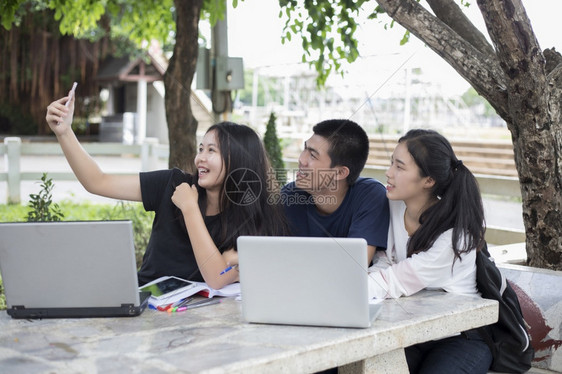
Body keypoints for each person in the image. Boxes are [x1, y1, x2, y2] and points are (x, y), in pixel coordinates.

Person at [45, 91, 288, 289]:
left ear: (239, 162)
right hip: (145, 304)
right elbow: (97, 181)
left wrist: (190, 208)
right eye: (200, 149)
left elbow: (217, 277)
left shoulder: (252, 220)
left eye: (211, 151)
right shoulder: (173, 184)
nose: (200, 158)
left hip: (198, 321)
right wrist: (64, 132)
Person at [368, 129, 492, 373]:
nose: (388, 172)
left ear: (428, 180)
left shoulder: (455, 235)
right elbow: (385, 262)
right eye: (391, 163)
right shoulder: (393, 207)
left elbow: (393, 280)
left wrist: (342, 291)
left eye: (400, 167)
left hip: (460, 338)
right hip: (411, 333)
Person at [281, 119, 389, 265]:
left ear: (340, 172)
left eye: (313, 155)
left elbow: (355, 266)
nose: (301, 159)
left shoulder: (370, 196)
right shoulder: (290, 195)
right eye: (305, 149)